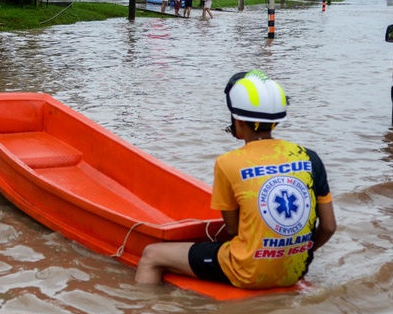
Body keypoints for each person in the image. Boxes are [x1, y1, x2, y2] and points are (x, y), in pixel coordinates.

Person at [135, 70, 337, 288]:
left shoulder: (228, 163)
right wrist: (299, 253)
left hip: (247, 272)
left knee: (151, 256)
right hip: (295, 271)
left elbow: (232, 229)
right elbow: (329, 227)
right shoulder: (309, 158)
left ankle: (149, 313)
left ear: (238, 121)